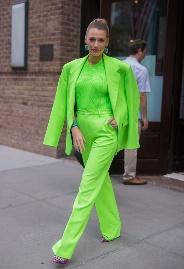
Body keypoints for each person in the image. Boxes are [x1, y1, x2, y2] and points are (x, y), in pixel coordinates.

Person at [43, 18, 140, 265]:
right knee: (101, 182)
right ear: (85, 40)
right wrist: (73, 127)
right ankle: (112, 227)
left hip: (105, 134)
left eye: (101, 40)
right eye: (92, 39)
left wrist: (120, 117)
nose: (95, 44)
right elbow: (66, 103)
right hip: (82, 134)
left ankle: (64, 248)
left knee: (87, 187)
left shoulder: (120, 68)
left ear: (107, 42)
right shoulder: (71, 68)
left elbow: (131, 99)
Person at [122, 39, 151, 185]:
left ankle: (98, 173)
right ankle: (129, 176)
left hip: (115, 113)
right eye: (144, 51)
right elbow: (142, 95)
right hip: (132, 114)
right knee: (131, 144)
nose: (145, 54)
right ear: (139, 50)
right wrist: (144, 117)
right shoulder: (141, 70)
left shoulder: (119, 65)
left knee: (109, 142)